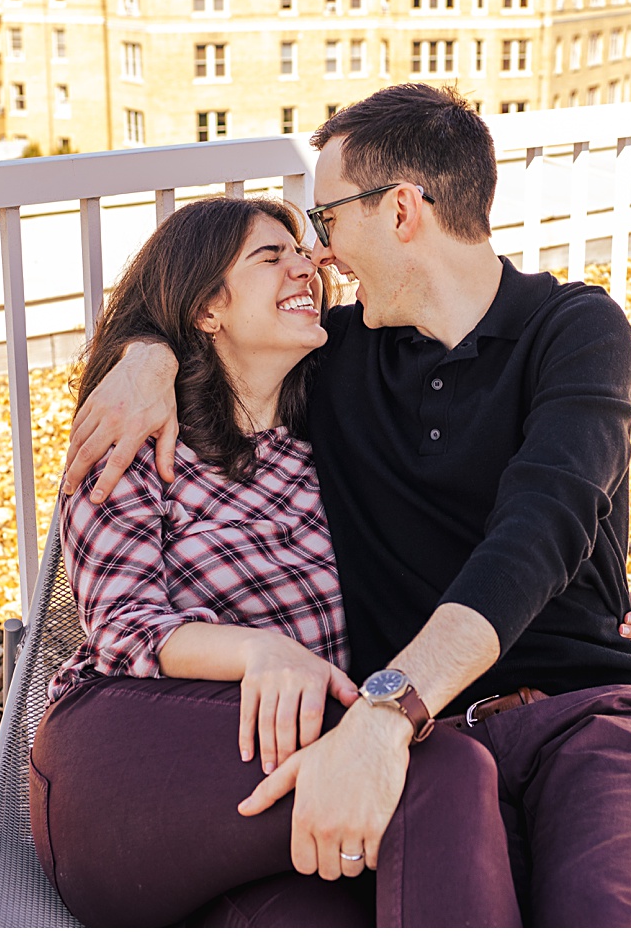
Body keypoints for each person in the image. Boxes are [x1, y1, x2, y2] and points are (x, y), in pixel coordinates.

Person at [62, 82, 631, 927]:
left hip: (578, 721)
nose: (320, 256)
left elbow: (542, 527)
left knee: (613, 916)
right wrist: (145, 350)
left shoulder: (575, 331)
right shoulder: (334, 366)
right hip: (424, 748)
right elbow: (215, 336)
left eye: (325, 222)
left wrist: (389, 708)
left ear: (401, 210)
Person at [32, 196, 526, 926]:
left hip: (270, 778)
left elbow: (453, 552)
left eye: (305, 250)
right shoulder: (137, 436)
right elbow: (122, 623)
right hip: (125, 760)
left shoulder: (330, 447)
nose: (307, 264)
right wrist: (265, 654)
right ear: (207, 309)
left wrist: (580, 611)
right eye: (271, 256)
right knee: (443, 774)